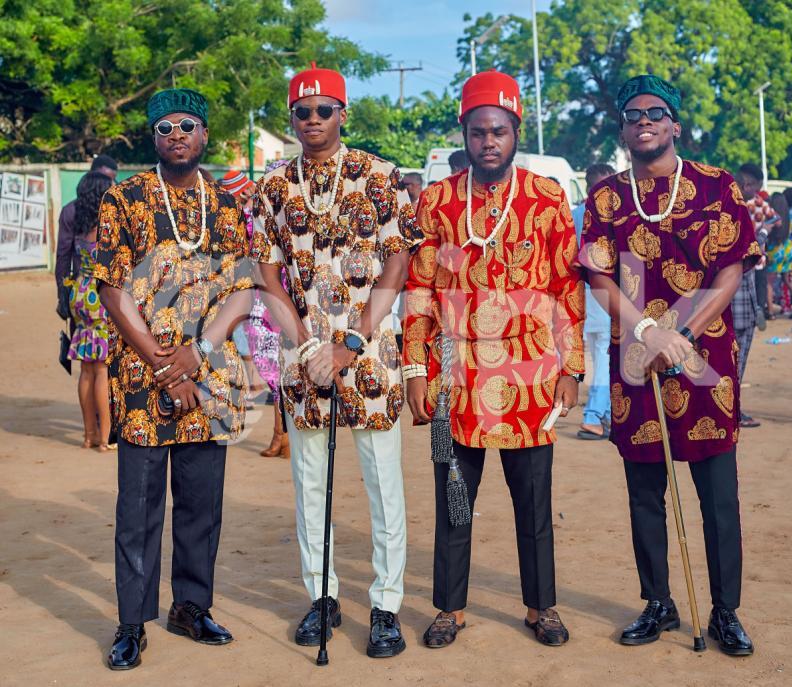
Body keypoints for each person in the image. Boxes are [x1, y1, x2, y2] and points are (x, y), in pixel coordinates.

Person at [579, 74, 759, 656]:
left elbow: (731, 270)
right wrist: (647, 330)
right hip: (637, 367)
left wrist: (680, 332)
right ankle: (657, 602)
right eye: (632, 115)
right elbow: (599, 274)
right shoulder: (606, 198)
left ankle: (726, 611)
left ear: (675, 124)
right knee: (643, 494)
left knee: (718, 496)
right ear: (623, 128)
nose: (644, 121)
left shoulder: (717, 187)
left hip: (706, 366)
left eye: (656, 112)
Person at [404, 70, 585, 648]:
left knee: (533, 503)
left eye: (499, 131)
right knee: (453, 499)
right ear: (464, 133)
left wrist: (571, 366)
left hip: (531, 377)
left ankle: (542, 606)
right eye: (478, 131)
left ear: (515, 133)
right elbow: (419, 291)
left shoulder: (547, 196)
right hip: (454, 379)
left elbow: (567, 285)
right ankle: (448, 608)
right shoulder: (435, 199)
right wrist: (415, 369)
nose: (488, 141)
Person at [250, 64, 422, 658]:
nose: (314, 120)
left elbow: (398, 263)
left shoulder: (381, 175)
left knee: (383, 486)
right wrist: (301, 343)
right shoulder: (272, 187)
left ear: (343, 114)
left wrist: (351, 341)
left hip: (369, 356)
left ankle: (386, 606)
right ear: (292, 118)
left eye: (325, 110)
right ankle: (321, 598)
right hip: (306, 362)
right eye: (303, 112)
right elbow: (266, 270)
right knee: (309, 484)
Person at [94, 88, 253, 670]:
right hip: (143, 379)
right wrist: (165, 364)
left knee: (200, 505)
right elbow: (112, 288)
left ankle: (191, 606)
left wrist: (199, 352)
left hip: (210, 376)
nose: (176, 134)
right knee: (138, 508)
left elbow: (241, 288)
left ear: (205, 133)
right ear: (152, 139)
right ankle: (132, 622)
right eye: (164, 128)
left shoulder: (228, 205)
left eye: (187, 124)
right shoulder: (125, 198)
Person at [219, 169, 291, 459]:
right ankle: (282, 435)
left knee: (273, 371)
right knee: (277, 371)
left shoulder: (247, 219)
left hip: (262, 298)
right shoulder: (265, 213)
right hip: (272, 294)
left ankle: (282, 437)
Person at [66, 171, 114, 450]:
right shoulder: (105, 223)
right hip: (100, 294)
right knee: (102, 370)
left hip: (80, 292)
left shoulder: (79, 222)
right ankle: (105, 437)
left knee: (85, 368)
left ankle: (88, 436)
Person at [574, 163, 617, 439]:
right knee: (604, 357)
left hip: (579, 297)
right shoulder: (611, 216)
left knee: (598, 356)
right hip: (600, 295)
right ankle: (593, 416)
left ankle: (608, 412)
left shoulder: (574, 214)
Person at [730, 162, 773, 428]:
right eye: (754, 189)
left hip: (740, 301)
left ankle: (732, 410)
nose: (755, 195)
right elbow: (747, 252)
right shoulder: (733, 211)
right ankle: (732, 412)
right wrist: (764, 233)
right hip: (735, 304)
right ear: (747, 184)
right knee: (734, 363)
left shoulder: (727, 208)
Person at [55, 155, 119, 298]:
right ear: (92, 177)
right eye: (106, 179)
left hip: (108, 293)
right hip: (85, 291)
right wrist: (63, 294)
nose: (111, 183)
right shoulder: (71, 212)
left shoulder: (117, 210)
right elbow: (63, 256)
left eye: (113, 179)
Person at [766, 192, 792, 318]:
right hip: (788, 249)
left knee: (769, 282)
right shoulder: (790, 216)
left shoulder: (771, 216)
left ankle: (770, 312)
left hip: (774, 250)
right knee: (789, 281)